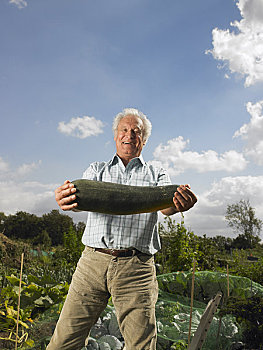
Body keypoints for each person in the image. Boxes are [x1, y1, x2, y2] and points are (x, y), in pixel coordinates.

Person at [48, 108, 197, 350]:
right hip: (92, 264)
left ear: (144, 140)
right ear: (116, 136)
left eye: (136, 132)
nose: (129, 135)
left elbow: (166, 208)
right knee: (63, 343)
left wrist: (179, 204)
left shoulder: (156, 173)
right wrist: (65, 199)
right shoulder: (97, 170)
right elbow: (78, 201)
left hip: (136, 268)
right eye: (124, 130)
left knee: (140, 345)